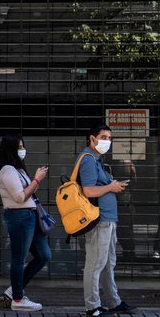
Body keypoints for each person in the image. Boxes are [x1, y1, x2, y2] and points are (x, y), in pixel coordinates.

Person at [78, 124, 136, 317]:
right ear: (92, 138)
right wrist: (111, 187)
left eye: (109, 138)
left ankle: (113, 302)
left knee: (108, 262)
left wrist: (113, 185)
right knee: (95, 264)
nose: (107, 141)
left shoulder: (98, 160)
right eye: (103, 137)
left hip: (108, 219)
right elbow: (89, 190)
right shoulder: (87, 159)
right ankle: (92, 307)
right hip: (98, 219)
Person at [0, 134, 50, 311]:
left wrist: (34, 181)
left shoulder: (17, 169)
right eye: (19, 147)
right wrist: (36, 179)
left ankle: (14, 290)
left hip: (29, 216)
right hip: (19, 216)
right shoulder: (7, 170)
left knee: (44, 255)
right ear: (10, 149)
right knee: (19, 259)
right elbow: (20, 197)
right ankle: (18, 300)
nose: (22, 150)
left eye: (22, 146)